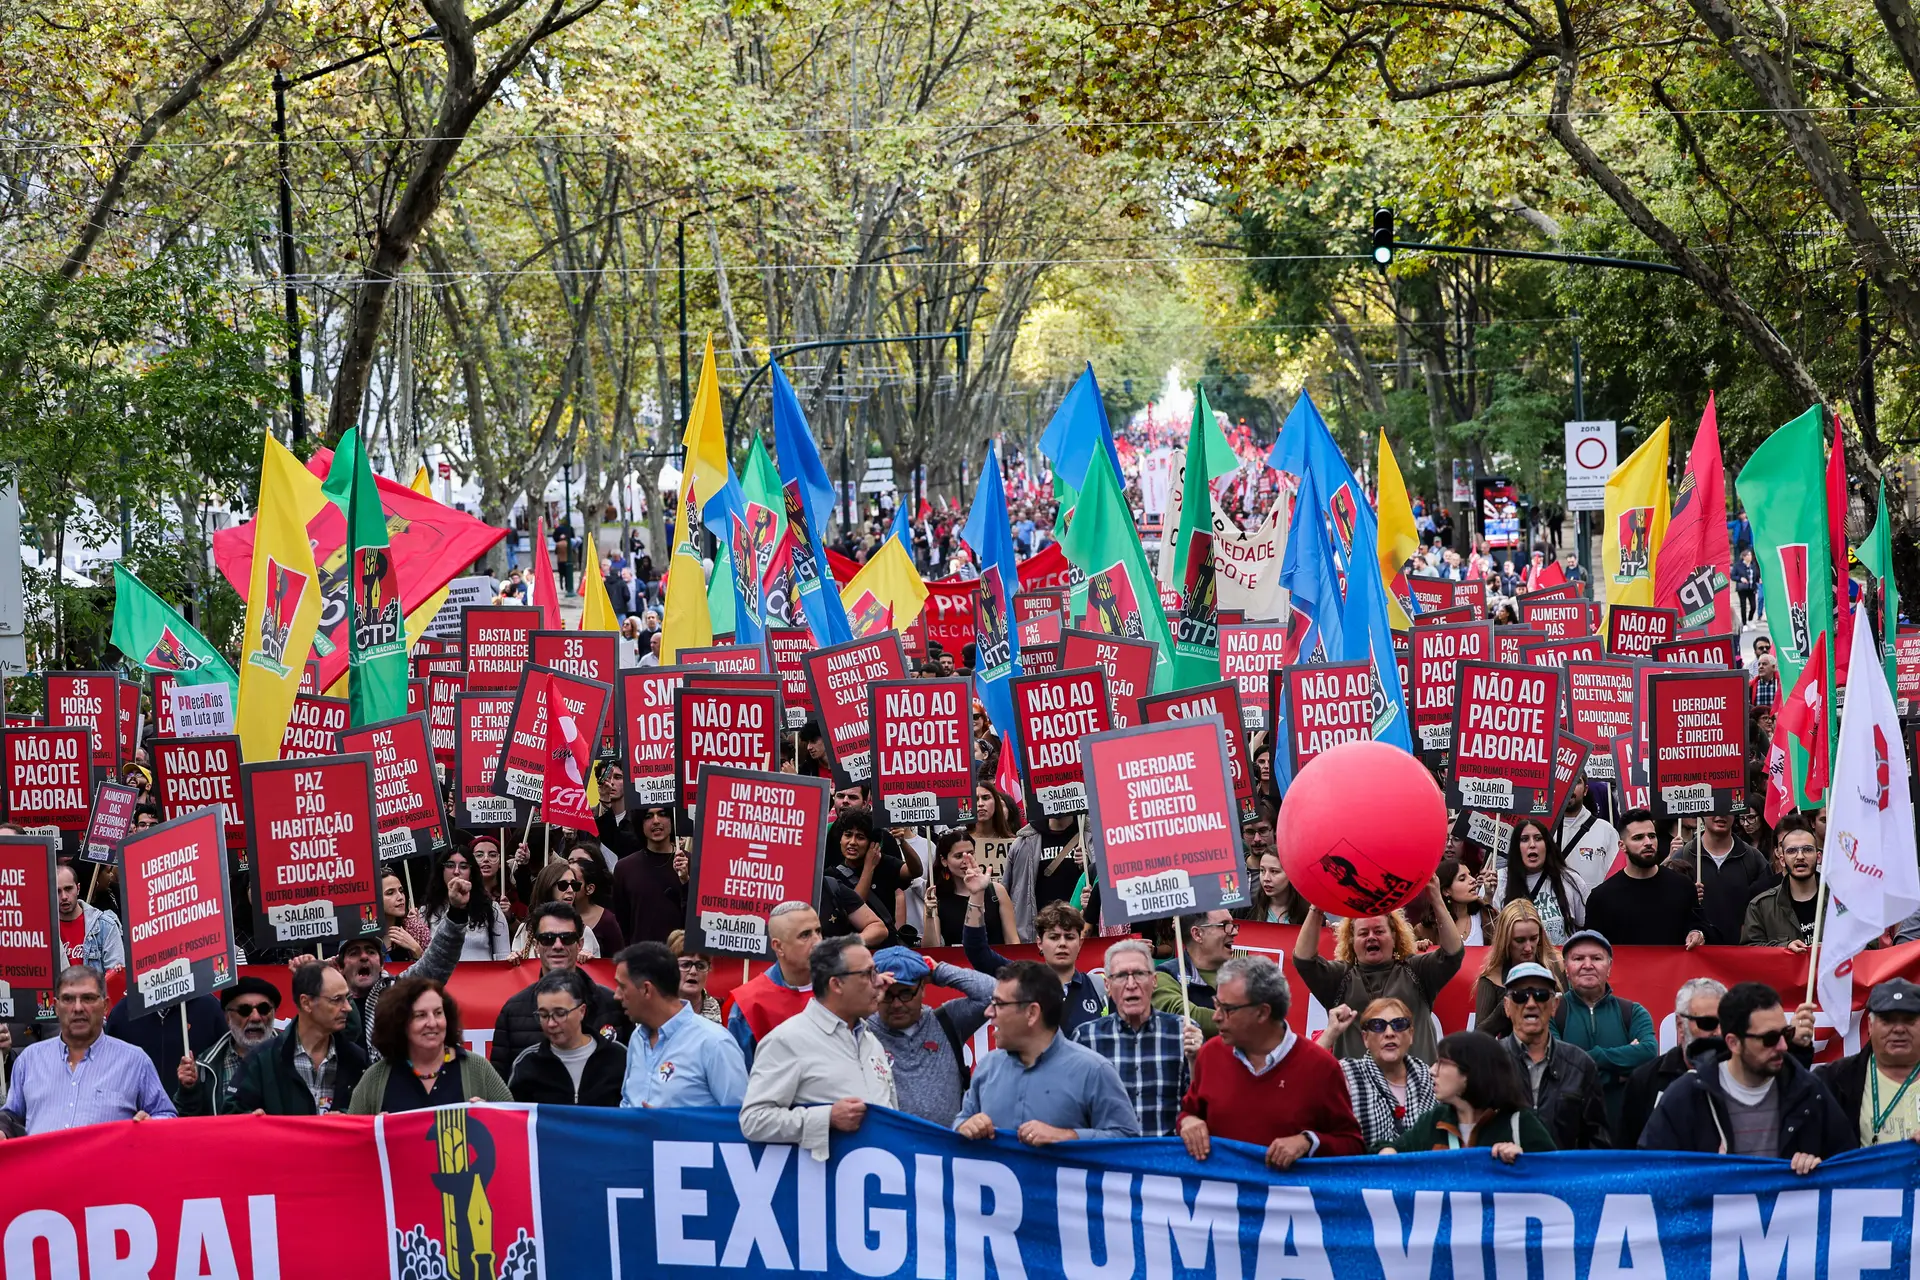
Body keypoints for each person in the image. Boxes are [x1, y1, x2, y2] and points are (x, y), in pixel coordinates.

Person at [1640, 981, 1855, 1171]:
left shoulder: (1809, 1091)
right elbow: (1651, 1174)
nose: (1782, 1046)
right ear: (1733, 1042)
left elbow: (1849, 1168)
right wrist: (1702, 1173)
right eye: (1769, 1039)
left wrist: (1820, 1168)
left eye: (1786, 1034)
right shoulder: (1687, 1094)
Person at [1176, 955, 1364, 1167]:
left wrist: (1308, 1142)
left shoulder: (1320, 1067)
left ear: (1263, 1012)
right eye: (1216, 1005)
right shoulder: (1210, 1055)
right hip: (1222, 1195)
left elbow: (1352, 1144)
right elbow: (1189, 1112)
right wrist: (1188, 1122)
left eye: (1227, 1009)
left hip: (1288, 1195)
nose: (1215, 1017)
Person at [738, 935, 897, 1162]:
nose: (879, 981)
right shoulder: (787, 1040)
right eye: (867, 974)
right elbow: (753, 1120)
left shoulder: (870, 1040)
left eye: (876, 971)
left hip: (879, 1182)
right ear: (836, 984)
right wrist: (827, 1117)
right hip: (824, 1187)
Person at [956, 959, 1141, 1143]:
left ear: (1032, 1013)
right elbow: (960, 1123)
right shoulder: (987, 1067)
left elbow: (1127, 1139)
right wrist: (964, 1126)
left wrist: (1069, 1137)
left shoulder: (1093, 1071)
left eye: (999, 1004)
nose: (989, 1012)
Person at [1294, 881, 1463, 1063]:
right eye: (1363, 933)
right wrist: (1317, 907)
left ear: (1395, 936)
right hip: (1358, 1088)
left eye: (1379, 931)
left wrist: (1436, 899)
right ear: (1351, 941)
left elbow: (1452, 954)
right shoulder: (1340, 978)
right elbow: (1304, 960)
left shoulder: (1417, 971)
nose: (1371, 937)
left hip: (1414, 1088)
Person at [1, 967, 174, 1136]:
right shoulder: (29, 1060)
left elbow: (167, 1115)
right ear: (55, 1007)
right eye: (68, 999)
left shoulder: (135, 1061)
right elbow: (12, 1116)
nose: (78, 1008)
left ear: (105, 1006)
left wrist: (152, 1124)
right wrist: (3, 1129)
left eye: (88, 998)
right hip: (44, 1165)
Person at [1070, 939, 1201, 1136]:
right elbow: (1074, 1110)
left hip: (1165, 1160)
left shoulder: (1183, 1031)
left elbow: (1201, 1105)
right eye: (1121, 976)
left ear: (1154, 980)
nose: (1131, 984)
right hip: (1109, 1160)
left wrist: (1196, 1060)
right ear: (1107, 984)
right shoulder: (1086, 1037)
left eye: (1139, 973)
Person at [489, 901, 631, 1074]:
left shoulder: (613, 1004)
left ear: (580, 944)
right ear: (536, 945)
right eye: (547, 939)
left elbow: (634, 1075)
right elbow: (500, 1089)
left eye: (567, 938)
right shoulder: (513, 1011)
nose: (557, 945)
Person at [335, 874, 469, 1053]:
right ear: (341, 966)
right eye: (354, 953)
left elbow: (439, 958)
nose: (364, 957)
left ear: (382, 963)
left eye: (371, 951)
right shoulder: (327, 1002)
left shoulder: (398, 992)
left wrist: (457, 912)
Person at [866, 946, 998, 1125]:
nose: (896, 1004)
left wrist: (938, 971)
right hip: (889, 1148)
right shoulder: (862, 1028)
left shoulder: (947, 1021)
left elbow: (992, 993)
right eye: (887, 994)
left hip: (944, 1148)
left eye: (905, 993)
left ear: (923, 988)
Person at [609, 942, 746, 1108]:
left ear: (646, 989)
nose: (616, 996)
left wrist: (674, 1128)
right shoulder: (638, 1038)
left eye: (622, 987)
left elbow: (738, 1122)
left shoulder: (715, 1044)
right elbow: (628, 1102)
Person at [1379, 1031, 1555, 1160]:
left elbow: (1557, 1174)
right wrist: (1387, 1152)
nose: (1432, 1070)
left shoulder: (1520, 1123)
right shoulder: (1434, 1121)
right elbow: (1388, 1150)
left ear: (1471, 1072)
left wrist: (1525, 1162)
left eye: (1442, 1063)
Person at [348, 978, 513, 1112]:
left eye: (438, 1013)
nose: (432, 1023)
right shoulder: (376, 1078)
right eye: (420, 1015)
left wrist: (491, 1116)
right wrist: (372, 1131)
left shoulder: (477, 1069)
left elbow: (514, 1127)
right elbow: (351, 1139)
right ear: (400, 1023)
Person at [1496, 961, 1611, 1149]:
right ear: (1507, 1007)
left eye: (1541, 995)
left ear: (1554, 1005)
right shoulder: (1488, 1062)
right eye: (1520, 996)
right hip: (1505, 1175)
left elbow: (1597, 1141)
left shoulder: (1581, 1065)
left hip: (1564, 1176)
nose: (1531, 1003)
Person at [1551, 930, 1656, 1134]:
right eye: (1578, 958)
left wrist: (1585, 1060)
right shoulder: (1552, 1012)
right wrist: (1617, 1076)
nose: (1587, 965)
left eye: (1596, 958)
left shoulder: (1633, 1012)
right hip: (1567, 1134)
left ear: (1609, 967)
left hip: (1622, 1134)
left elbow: (1649, 1053)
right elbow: (1556, 1066)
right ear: (1566, 968)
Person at [233, 961, 368, 1115]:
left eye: (347, 998)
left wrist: (347, 1118)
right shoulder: (262, 1060)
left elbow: (374, 1115)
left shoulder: (356, 1059)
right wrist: (252, 1120)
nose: (347, 1008)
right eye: (337, 999)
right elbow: (232, 1115)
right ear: (306, 1003)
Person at [970, 897, 1107, 1033]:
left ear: (1080, 943)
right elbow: (978, 952)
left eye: (1069, 937)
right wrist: (976, 895)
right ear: (1039, 943)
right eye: (1054, 937)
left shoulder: (1100, 988)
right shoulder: (1025, 980)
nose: (1062, 944)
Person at [1317, 996, 1437, 1150]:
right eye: (1378, 1026)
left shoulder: (1430, 1078)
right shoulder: (1347, 1074)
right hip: (1365, 1172)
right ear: (1365, 1038)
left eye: (1399, 1024)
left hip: (1423, 1173)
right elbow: (1301, 1080)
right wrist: (1331, 1032)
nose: (1389, 1033)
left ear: (1411, 1035)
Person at [1620, 977, 1726, 1147]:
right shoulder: (1645, 1080)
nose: (1718, 1032)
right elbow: (1629, 1152)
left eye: (1726, 1023)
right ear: (1680, 1025)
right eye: (1708, 1023)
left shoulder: (1745, 1077)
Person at [1814, 977, 1920, 1146]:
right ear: (1870, 1026)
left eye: (1909, 1020)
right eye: (1887, 1021)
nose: (1899, 1029)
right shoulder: (1834, 1080)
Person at [1584, 809, 1708, 947]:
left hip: (1674, 968)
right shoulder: (1602, 897)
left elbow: (1700, 924)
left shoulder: (1682, 886)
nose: (1648, 842)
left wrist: (1698, 933)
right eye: (1638, 838)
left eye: (1652, 836)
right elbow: (1592, 948)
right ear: (1622, 845)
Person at [508, 968, 628, 1106]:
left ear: (582, 1011)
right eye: (543, 1015)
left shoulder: (618, 1057)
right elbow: (511, 1117)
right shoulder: (527, 1063)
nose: (551, 1023)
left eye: (560, 1014)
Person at [727, 902, 825, 1064]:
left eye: (819, 931)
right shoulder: (749, 1005)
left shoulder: (841, 987)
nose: (817, 942)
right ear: (778, 946)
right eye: (805, 935)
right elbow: (740, 1079)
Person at [175, 977, 282, 1117]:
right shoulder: (205, 1068)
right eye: (244, 1010)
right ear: (227, 1018)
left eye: (263, 1009)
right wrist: (188, 1091)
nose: (255, 1017)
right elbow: (187, 1122)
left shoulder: (295, 1054)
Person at [1667, 812, 1776, 944]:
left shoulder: (1754, 859)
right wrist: (1687, 897)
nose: (1720, 816)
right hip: (1696, 957)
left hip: (1742, 955)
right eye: (1714, 810)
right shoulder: (1682, 858)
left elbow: (1769, 911)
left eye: (1726, 810)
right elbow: (1667, 913)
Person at [1472, 899, 1563, 1040]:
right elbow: (1478, 1040)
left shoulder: (1556, 964)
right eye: (1519, 940)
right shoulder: (1492, 978)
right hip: (1510, 1058)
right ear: (1505, 940)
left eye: (1533, 938)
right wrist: (1505, 1009)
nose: (1528, 947)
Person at [1489, 818, 1586, 945]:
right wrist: (1487, 898)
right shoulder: (1500, 881)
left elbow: (1585, 927)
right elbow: (1491, 936)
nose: (1532, 844)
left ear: (1547, 844)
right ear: (1516, 847)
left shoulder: (1570, 880)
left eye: (1538, 838)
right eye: (1524, 839)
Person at [611, 804, 688, 945]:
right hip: (640, 959)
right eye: (648, 816)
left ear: (673, 819)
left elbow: (698, 921)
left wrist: (686, 882)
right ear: (640, 823)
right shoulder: (624, 868)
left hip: (682, 960)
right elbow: (622, 922)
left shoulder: (691, 864)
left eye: (663, 814)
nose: (656, 821)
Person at [922, 829, 1016, 945]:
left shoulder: (996, 891)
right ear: (944, 861)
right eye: (958, 856)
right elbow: (931, 949)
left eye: (970, 853)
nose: (966, 860)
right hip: (957, 962)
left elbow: (1013, 941)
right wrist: (929, 916)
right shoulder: (936, 898)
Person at [1003, 811, 1084, 941]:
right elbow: (1006, 891)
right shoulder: (1023, 842)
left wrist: (1090, 862)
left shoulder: (1091, 837)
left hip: (1081, 932)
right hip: (1035, 935)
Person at [1742, 815, 1820, 949]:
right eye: (1792, 851)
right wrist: (1785, 948)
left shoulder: (1842, 898)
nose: (1800, 856)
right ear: (1782, 859)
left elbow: (1868, 943)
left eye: (1807, 850)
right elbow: (1750, 952)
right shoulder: (1760, 906)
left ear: (1818, 857)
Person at [423, 844, 511, 960]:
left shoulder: (491, 910)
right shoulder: (426, 912)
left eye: (463, 866)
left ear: (471, 874)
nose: (456, 871)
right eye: (450, 865)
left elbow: (503, 959)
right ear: (441, 871)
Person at [509, 862, 603, 959]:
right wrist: (514, 961)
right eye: (563, 885)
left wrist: (588, 963)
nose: (570, 890)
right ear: (548, 887)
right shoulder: (526, 930)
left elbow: (595, 972)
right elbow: (518, 972)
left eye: (574, 885)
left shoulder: (584, 932)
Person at [54, 862, 123, 975]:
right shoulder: (44, 933)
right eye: (58, 891)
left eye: (68, 889)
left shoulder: (104, 926)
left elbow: (116, 976)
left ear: (78, 888)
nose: (64, 897)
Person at [1407, 855, 1485, 947]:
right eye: (1462, 879)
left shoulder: (1486, 916)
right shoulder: (1425, 930)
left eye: (1470, 875)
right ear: (1446, 891)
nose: (1472, 880)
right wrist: (1419, 946)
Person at [1558, 778, 1618, 889]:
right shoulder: (1543, 832)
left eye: (1576, 782)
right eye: (1563, 781)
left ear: (1585, 790)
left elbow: (1616, 878)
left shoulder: (1605, 830)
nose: (1569, 787)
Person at [566, 846, 627, 957]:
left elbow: (618, 960)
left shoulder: (607, 920)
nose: (568, 889)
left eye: (574, 883)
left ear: (590, 888)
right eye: (570, 861)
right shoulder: (554, 915)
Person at [665, 931, 723, 1022]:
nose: (693, 971)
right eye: (685, 965)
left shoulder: (724, 1010)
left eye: (701, 966)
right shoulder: (653, 1008)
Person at [1244, 848, 1308, 925]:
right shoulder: (1248, 909)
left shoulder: (1309, 913)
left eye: (1274, 871)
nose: (1266, 878)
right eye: (1262, 870)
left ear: (1291, 873)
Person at [592, 761, 639, 859]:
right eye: (606, 778)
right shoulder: (587, 817)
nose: (611, 783)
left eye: (618, 777)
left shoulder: (638, 819)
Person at [379, 869, 428, 962]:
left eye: (401, 891)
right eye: (390, 893)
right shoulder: (364, 936)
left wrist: (416, 950)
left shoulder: (416, 929)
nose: (400, 897)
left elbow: (434, 971)